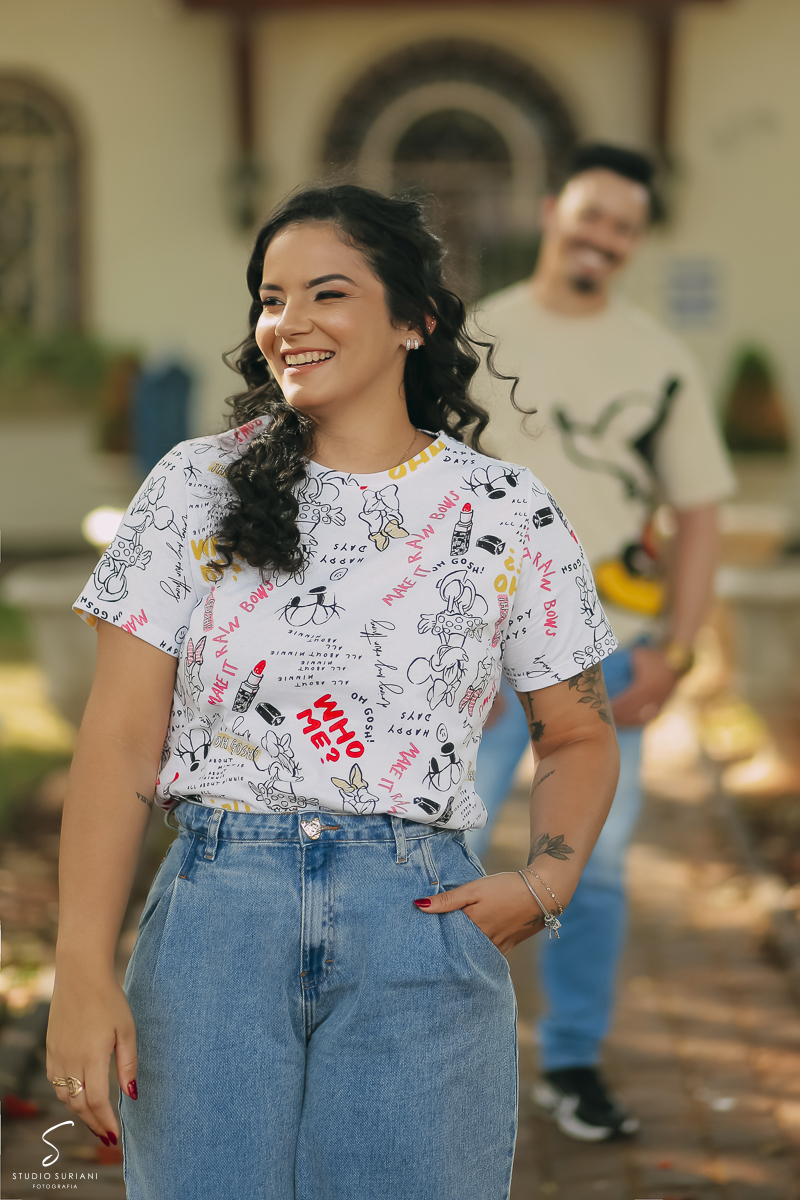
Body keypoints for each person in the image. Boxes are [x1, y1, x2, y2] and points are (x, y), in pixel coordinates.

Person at [46, 184, 620, 1200]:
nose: (288, 323)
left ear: (414, 320)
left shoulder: (506, 511)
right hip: (215, 928)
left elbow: (575, 731)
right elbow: (118, 744)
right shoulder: (191, 487)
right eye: (270, 299)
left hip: (418, 920)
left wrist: (545, 882)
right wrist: (82, 972)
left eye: (326, 293)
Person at [470, 143, 736, 1142]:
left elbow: (698, 512)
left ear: (631, 242)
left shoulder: (656, 358)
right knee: (434, 849)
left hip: (606, 656)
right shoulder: (473, 337)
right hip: (474, 660)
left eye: (622, 226)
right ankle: (423, 1042)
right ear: (551, 210)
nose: (601, 237)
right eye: (589, 215)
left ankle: (570, 1063)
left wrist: (675, 646)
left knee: (589, 869)